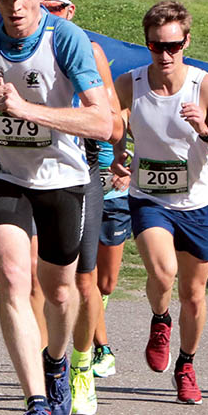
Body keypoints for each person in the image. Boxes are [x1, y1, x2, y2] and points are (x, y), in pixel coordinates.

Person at [0, 0, 112, 415]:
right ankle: (35, 404)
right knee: (9, 275)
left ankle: (58, 362)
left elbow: (102, 121)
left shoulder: (67, 39)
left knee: (60, 292)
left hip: (60, 177)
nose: (16, 4)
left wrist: (28, 109)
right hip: (2, 172)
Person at [114, 0, 208, 406]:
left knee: (194, 293)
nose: (165, 54)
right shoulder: (130, 84)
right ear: (146, 43)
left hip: (197, 204)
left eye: (173, 46)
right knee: (163, 270)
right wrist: (118, 149)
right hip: (148, 198)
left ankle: (186, 365)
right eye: (156, 46)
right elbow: (111, 124)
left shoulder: (204, 87)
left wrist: (204, 131)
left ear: (187, 41)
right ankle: (159, 320)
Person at [41, 0, 123, 415]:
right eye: (42, 6)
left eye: (55, 8)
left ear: (70, 12)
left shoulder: (88, 51)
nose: (45, 16)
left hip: (80, 171)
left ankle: (82, 366)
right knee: (33, 280)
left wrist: (111, 161)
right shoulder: (18, 46)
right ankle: (44, 377)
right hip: (29, 172)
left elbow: (110, 116)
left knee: (86, 280)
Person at [92, 154, 132, 378]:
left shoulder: (124, 116)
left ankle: (90, 318)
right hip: (76, 193)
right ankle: (103, 350)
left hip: (114, 198)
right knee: (85, 278)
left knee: (105, 285)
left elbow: (153, 136)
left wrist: (132, 172)